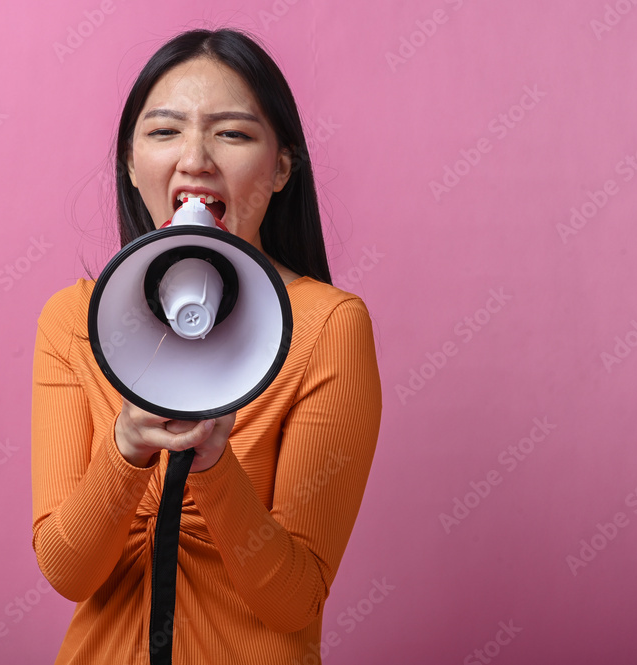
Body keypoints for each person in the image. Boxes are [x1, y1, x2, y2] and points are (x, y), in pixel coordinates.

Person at [31, 27, 382, 665]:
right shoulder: (71, 321)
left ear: (281, 168)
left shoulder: (329, 327)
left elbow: (294, 600)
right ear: (131, 164)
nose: (194, 158)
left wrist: (216, 468)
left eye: (234, 133)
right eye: (164, 131)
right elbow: (67, 573)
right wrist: (126, 451)